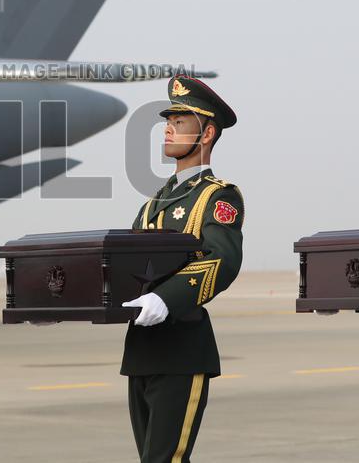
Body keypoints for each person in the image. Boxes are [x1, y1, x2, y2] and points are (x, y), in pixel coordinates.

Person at [121, 75, 244, 462]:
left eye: (181, 121)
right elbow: (129, 266)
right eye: (168, 120)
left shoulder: (217, 195)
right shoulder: (155, 201)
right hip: (142, 350)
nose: (169, 128)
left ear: (207, 134)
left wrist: (165, 298)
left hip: (181, 348)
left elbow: (222, 259)